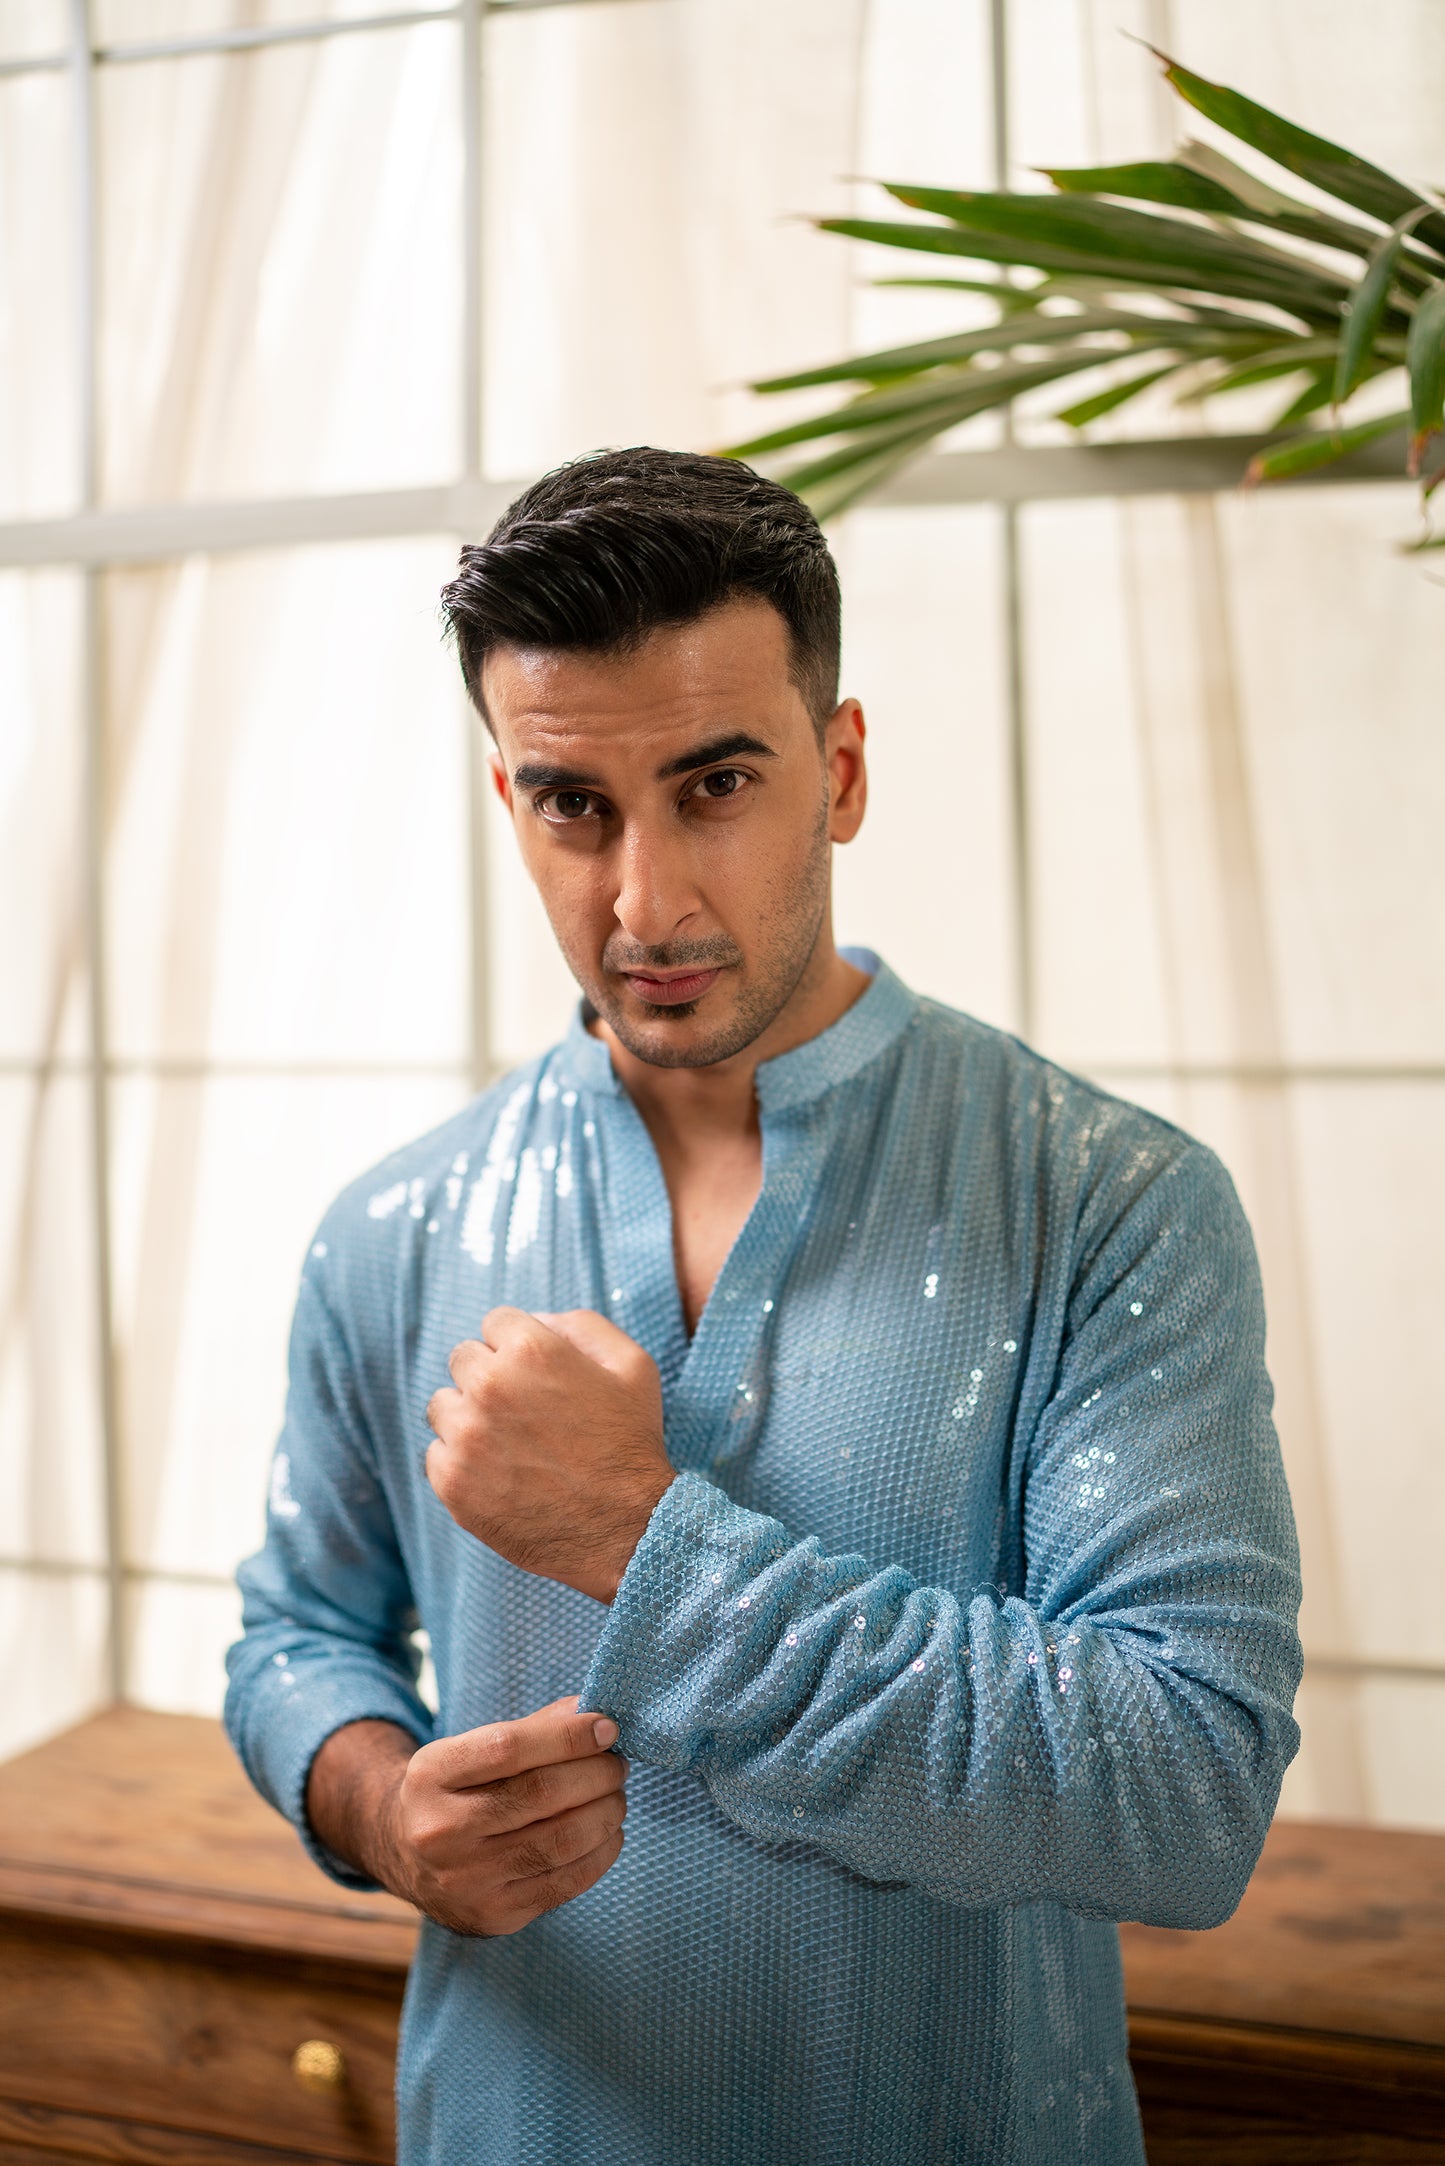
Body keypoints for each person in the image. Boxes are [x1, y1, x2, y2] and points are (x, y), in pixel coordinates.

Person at [225, 447, 1302, 2166]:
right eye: (574, 805)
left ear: (841, 769)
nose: (644, 901)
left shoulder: (1108, 1204)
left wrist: (639, 1537)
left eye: (714, 783)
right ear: (508, 797)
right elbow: (295, 1633)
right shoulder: (393, 1225)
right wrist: (376, 1803)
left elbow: (1184, 1793)